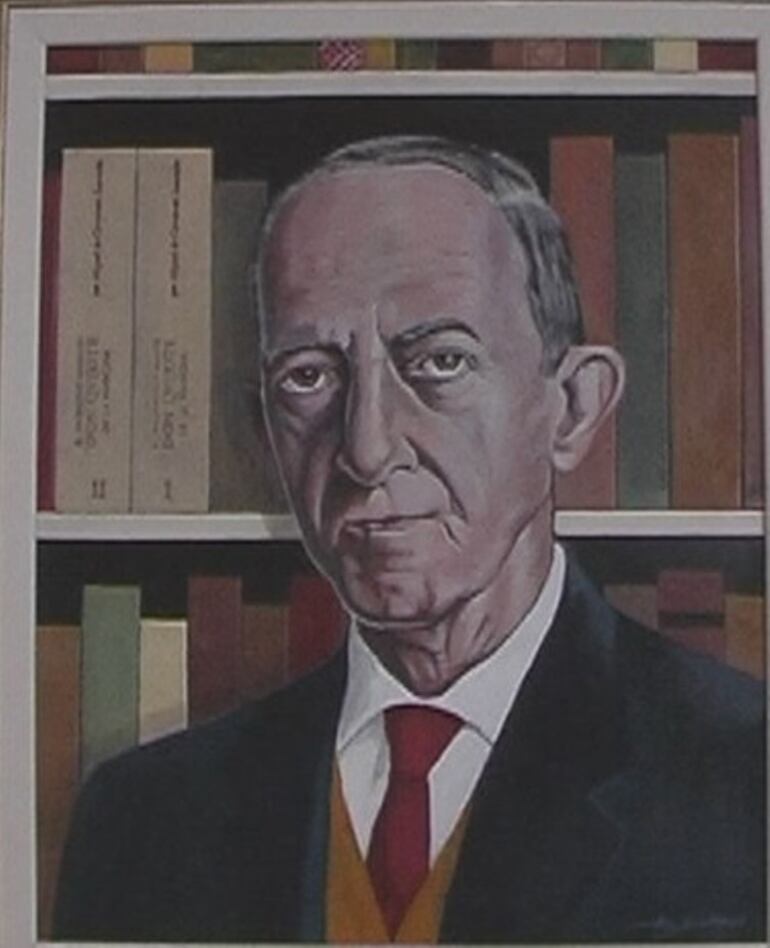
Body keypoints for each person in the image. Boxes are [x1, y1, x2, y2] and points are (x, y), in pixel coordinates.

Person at [54, 136, 765, 944]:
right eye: (308, 376)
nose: (366, 448)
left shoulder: (745, 776)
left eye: (440, 362)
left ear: (571, 408)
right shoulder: (142, 822)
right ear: (266, 433)